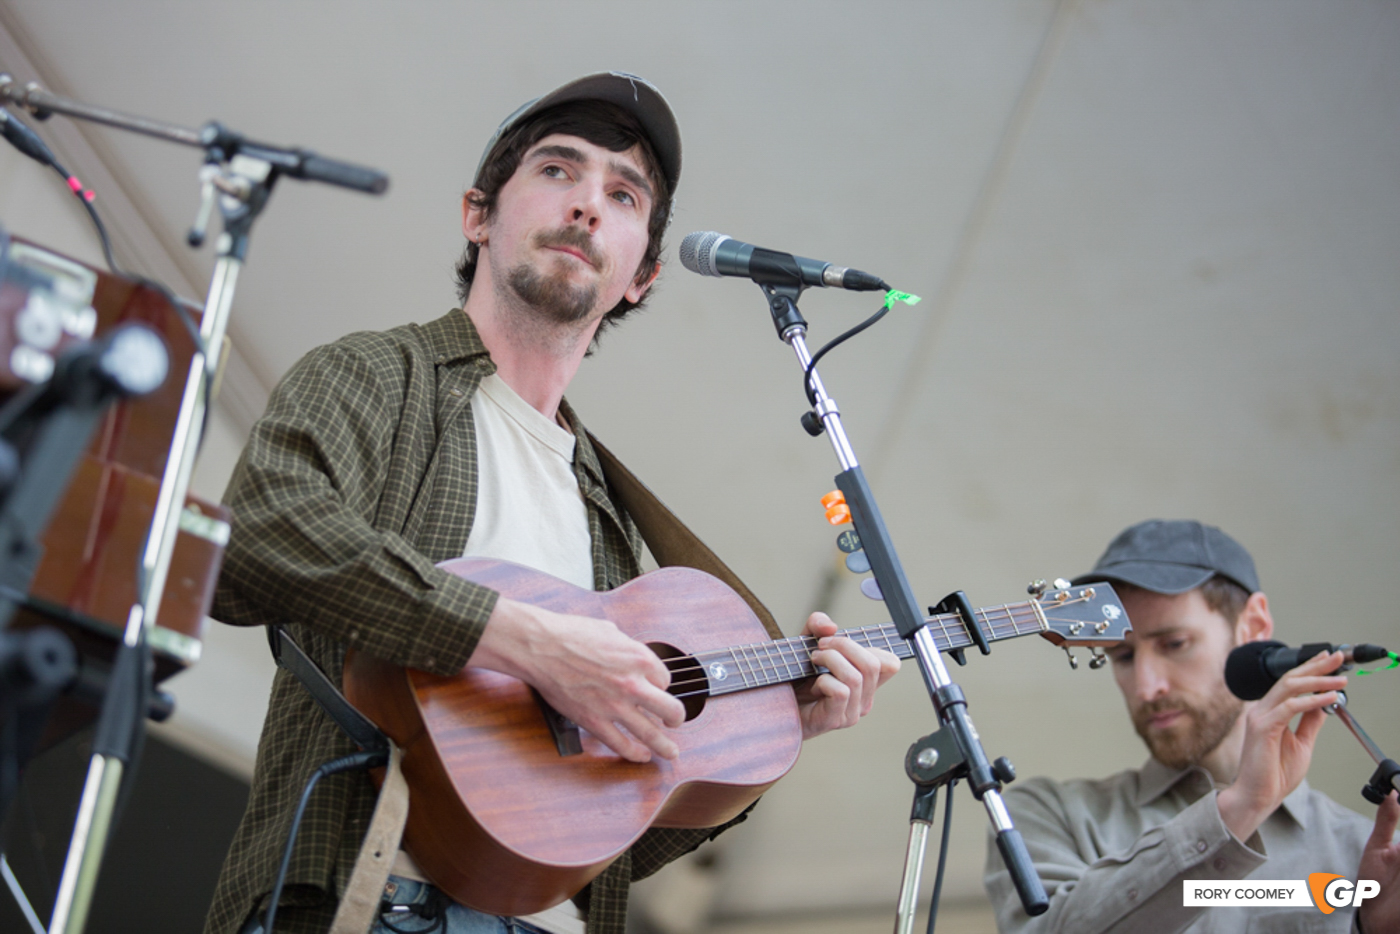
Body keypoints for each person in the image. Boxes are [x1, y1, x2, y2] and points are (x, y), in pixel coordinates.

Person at [203, 72, 900, 934]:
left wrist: (761, 740)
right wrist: (531, 642)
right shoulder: (379, 377)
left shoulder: (607, 517)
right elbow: (254, 542)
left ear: (642, 275)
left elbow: (597, 831)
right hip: (371, 905)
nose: (586, 206)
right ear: (479, 215)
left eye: (622, 193)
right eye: (558, 171)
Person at [983, 518, 1400, 933]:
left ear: (1253, 626)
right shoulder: (1046, 816)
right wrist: (1239, 808)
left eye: (1174, 644)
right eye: (1123, 656)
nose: (1147, 687)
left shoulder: (1365, 851)